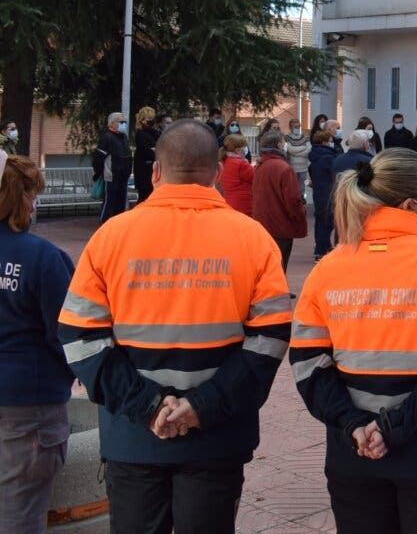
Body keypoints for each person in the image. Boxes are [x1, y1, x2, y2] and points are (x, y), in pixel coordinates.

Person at [59, 120, 291, 534]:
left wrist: (149, 408)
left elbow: (80, 337)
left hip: (133, 435)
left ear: (155, 172)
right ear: (217, 174)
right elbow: (269, 341)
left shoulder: (110, 237)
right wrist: (202, 407)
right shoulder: (253, 240)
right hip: (218, 435)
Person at [289, 148, 417, 532]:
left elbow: (307, 364)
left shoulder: (328, 267)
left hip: (353, 451)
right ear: (413, 205)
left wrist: (356, 425)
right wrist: (392, 428)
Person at [0, 154, 75, 533]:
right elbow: (67, 333)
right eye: (31, 195)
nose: (35, 204)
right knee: (19, 519)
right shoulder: (42, 257)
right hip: (28, 408)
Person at [252, 129, 307, 273]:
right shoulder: (283, 168)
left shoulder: (260, 166)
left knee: (267, 265)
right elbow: (293, 200)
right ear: (279, 145)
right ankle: (279, 292)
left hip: (263, 222)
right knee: (280, 263)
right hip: (281, 224)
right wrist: (300, 214)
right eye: (283, 142)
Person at [93, 111, 132, 223]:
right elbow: (98, 157)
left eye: (124, 121)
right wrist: (98, 173)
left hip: (123, 176)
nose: (124, 124)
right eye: (121, 121)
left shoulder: (123, 137)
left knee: (120, 202)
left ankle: (117, 225)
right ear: (112, 123)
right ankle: (104, 224)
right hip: (111, 176)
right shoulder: (107, 137)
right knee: (109, 201)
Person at [308, 129, 339, 260]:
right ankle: (321, 249)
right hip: (328, 192)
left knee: (321, 221)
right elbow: (334, 174)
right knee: (328, 222)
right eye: (331, 141)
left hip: (318, 192)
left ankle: (323, 246)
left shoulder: (315, 156)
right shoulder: (328, 158)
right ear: (325, 142)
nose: (333, 143)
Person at [218, 133, 254, 216]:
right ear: (237, 149)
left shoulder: (224, 160)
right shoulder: (241, 164)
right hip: (244, 203)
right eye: (244, 146)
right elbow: (255, 177)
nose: (246, 149)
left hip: (229, 200)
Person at [133, 106, 159, 205]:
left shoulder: (153, 132)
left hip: (151, 170)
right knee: (144, 197)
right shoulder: (141, 133)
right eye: (149, 119)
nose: (151, 121)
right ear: (142, 120)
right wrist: (154, 151)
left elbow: (159, 145)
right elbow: (146, 151)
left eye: (152, 118)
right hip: (144, 171)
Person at [284, 118, 312, 199]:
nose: (297, 128)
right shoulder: (286, 138)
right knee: (293, 188)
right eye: (295, 127)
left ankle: (302, 201)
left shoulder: (305, 137)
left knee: (302, 188)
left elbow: (308, 150)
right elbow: (290, 150)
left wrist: (295, 152)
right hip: (292, 168)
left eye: (298, 126)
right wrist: (303, 147)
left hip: (304, 168)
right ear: (290, 127)